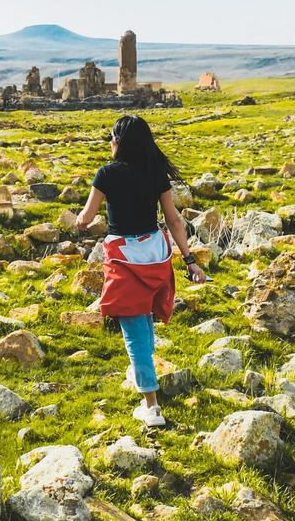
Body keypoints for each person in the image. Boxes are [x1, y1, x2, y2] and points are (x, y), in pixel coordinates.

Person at [75, 115, 207, 427]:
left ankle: (151, 407)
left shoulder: (106, 174)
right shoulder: (156, 172)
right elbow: (173, 219)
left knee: (133, 328)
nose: (110, 143)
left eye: (111, 137)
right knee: (144, 317)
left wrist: (79, 221)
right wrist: (189, 259)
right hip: (155, 253)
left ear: (119, 142)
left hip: (125, 257)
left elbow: (88, 216)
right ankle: (140, 373)